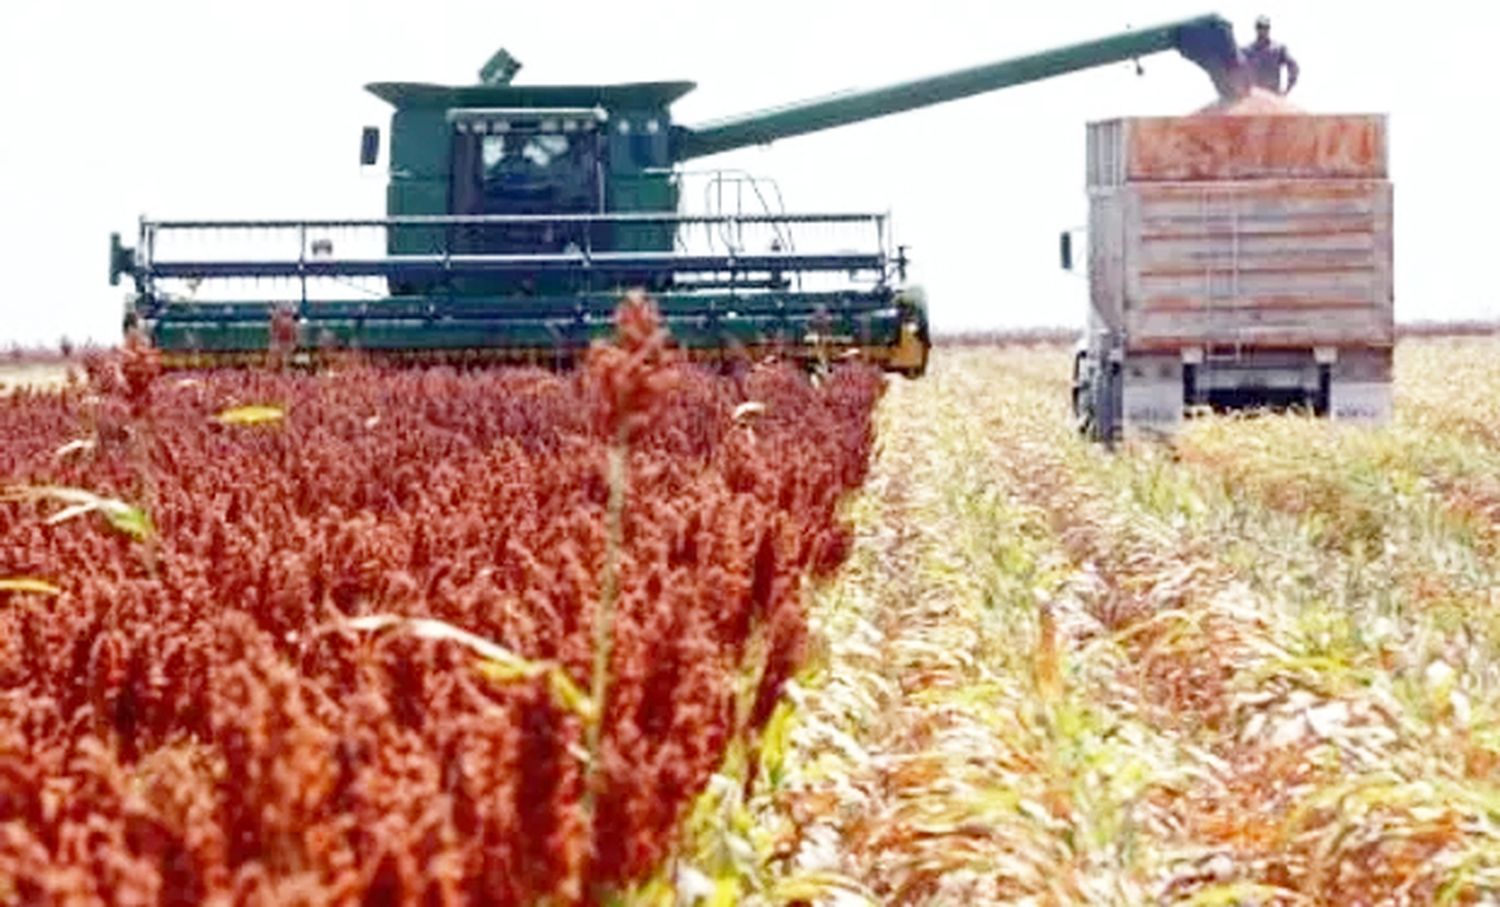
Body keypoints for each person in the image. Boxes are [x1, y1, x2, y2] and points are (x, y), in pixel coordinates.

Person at [1241, 15, 1299, 94]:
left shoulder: (1278, 49)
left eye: (1265, 27)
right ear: (1256, 28)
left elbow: (1293, 67)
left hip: (1273, 95)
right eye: (1260, 27)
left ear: (1269, 29)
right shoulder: (1247, 52)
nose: (1262, 30)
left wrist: (1287, 89)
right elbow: (1237, 72)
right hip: (1255, 96)